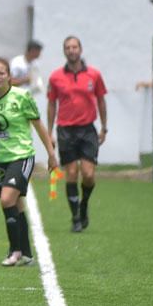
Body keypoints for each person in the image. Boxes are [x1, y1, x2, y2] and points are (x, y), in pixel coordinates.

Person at [0, 58, 57, 266]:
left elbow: (38, 126)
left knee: (6, 199)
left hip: (21, 155)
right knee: (16, 203)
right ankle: (26, 251)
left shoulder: (22, 97)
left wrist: (51, 153)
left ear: (9, 76)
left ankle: (15, 251)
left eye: (2, 73)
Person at [47, 36, 108, 233]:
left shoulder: (94, 74)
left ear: (80, 49)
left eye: (74, 47)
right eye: (67, 47)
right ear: (64, 51)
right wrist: (49, 132)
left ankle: (84, 204)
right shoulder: (56, 77)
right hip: (65, 130)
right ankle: (75, 217)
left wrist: (104, 127)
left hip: (87, 129)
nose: (71, 50)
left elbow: (101, 100)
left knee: (89, 174)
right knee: (71, 173)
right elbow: (51, 104)